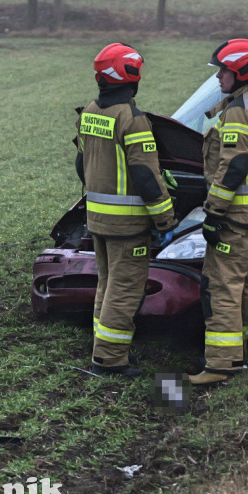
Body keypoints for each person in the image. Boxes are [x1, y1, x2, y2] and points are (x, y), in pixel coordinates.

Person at [76, 43, 177, 377]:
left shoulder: (90, 111)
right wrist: (165, 218)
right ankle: (109, 360)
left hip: (98, 219)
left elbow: (82, 163)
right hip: (128, 226)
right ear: (131, 75)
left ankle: (102, 350)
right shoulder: (132, 120)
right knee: (124, 290)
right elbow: (146, 176)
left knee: (107, 284)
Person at [190, 38, 248, 386]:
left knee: (222, 286)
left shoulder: (239, 110)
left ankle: (222, 364)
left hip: (237, 218)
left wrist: (214, 212)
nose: (218, 78)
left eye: (223, 71)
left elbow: (233, 166)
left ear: (241, 71)